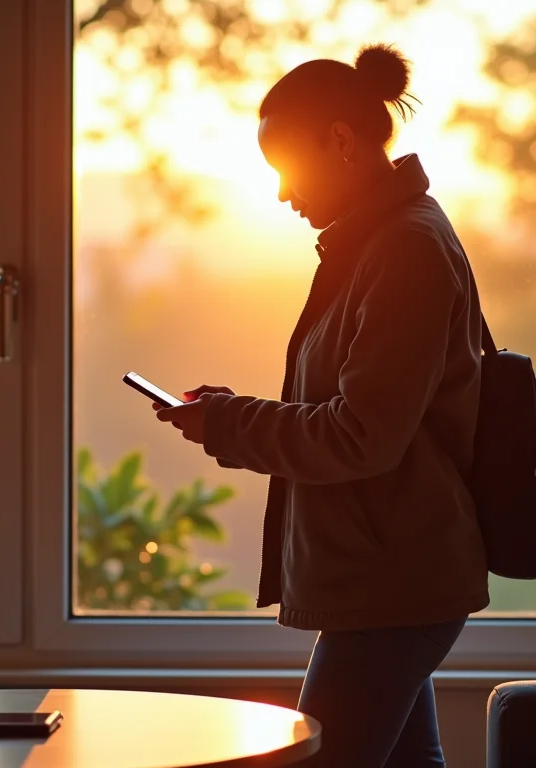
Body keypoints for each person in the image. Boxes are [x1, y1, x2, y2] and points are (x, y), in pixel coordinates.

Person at [154, 43, 489, 767]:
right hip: (392, 579)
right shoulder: (377, 247)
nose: (279, 194)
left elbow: (360, 435)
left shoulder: (405, 251)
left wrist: (228, 423)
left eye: (284, 168)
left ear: (340, 141)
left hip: (395, 583)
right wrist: (230, 411)